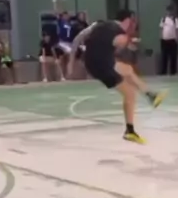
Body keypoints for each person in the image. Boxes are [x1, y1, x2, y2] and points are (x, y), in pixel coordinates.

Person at [68, 10, 167, 144]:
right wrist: (133, 44)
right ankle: (130, 131)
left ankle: (151, 96)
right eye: (132, 22)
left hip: (93, 62)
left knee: (128, 70)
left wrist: (70, 63)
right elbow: (121, 43)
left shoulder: (98, 24)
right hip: (103, 65)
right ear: (128, 20)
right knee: (130, 94)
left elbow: (77, 39)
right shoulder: (119, 32)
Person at [159, 6, 178, 75]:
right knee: (164, 56)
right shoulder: (163, 19)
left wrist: (177, 39)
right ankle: (163, 72)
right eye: (168, 11)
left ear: (172, 11)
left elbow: (177, 29)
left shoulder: (175, 19)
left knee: (173, 57)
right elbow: (161, 28)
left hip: (173, 40)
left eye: (170, 11)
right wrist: (161, 37)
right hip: (164, 40)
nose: (169, 12)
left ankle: (173, 72)